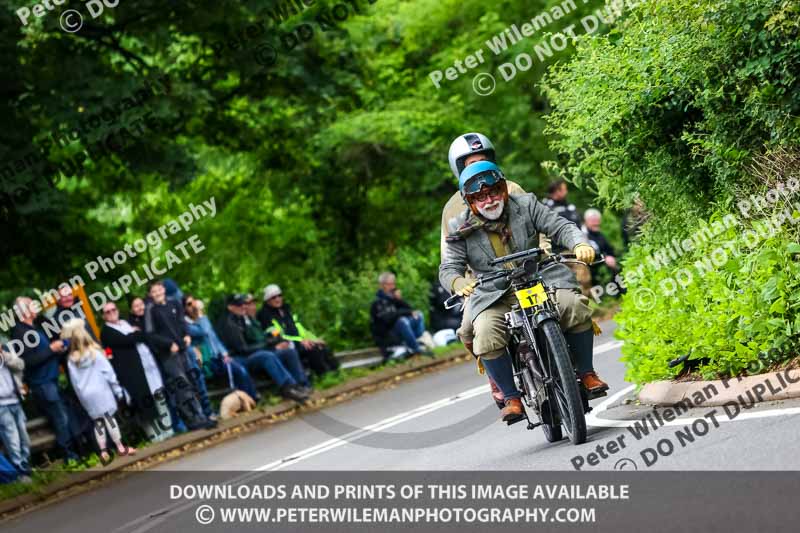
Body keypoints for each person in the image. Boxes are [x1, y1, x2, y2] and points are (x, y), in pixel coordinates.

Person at [440, 141, 609, 423]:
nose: (489, 200)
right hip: (494, 291)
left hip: (538, 275)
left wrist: (579, 244)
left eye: (494, 192)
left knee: (574, 305)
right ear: (469, 201)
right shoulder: (458, 225)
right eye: (480, 197)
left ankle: (587, 373)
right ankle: (511, 397)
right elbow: (448, 266)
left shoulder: (526, 203)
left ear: (503, 189)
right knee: (484, 332)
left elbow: (562, 227)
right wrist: (458, 283)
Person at [11, 296, 79, 462]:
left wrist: (58, 348)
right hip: (42, 384)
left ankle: (74, 454)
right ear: (24, 311)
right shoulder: (19, 333)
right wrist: (51, 348)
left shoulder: (33, 327)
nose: (36, 306)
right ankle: (69, 457)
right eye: (32, 304)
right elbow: (27, 362)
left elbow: (44, 354)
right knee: (60, 419)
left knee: (64, 417)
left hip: (51, 380)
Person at [61, 319, 136, 463]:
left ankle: (103, 451)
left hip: (87, 395)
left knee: (98, 422)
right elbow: (108, 373)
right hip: (101, 391)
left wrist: (83, 398)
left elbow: (75, 383)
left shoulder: (71, 360)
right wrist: (117, 389)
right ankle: (120, 447)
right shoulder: (95, 353)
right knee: (109, 419)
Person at [144, 281, 215, 431]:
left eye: (159, 290)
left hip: (183, 350)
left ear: (163, 289)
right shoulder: (150, 310)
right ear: (150, 294)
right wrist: (168, 344)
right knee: (182, 385)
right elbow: (150, 335)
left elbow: (182, 322)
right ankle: (193, 419)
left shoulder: (174, 303)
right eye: (154, 291)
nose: (157, 293)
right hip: (168, 355)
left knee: (192, 381)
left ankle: (200, 415)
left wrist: (187, 335)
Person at [100, 302, 174, 442]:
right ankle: (155, 437)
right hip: (129, 374)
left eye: (113, 309)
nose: (111, 313)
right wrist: (137, 333)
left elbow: (139, 337)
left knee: (157, 398)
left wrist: (137, 334)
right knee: (142, 406)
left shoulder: (124, 323)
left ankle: (168, 431)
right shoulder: (106, 332)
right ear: (104, 316)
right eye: (107, 312)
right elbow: (129, 340)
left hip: (145, 369)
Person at [216, 294, 310, 403]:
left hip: (254, 352)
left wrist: (275, 342)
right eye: (239, 304)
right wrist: (271, 346)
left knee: (289, 352)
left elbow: (260, 338)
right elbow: (243, 349)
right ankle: (288, 388)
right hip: (242, 359)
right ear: (230, 307)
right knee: (266, 356)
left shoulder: (242, 318)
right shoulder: (229, 324)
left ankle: (302, 385)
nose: (243, 307)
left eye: (244, 304)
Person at [184, 295, 260, 403]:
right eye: (189, 304)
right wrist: (200, 314)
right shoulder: (187, 324)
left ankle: (251, 398)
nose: (193, 306)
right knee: (239, 370)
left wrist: (224, 353)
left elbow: (214, 338)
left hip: (218, 357)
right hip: (206, 362)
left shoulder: (202, 319)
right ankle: (251, 398)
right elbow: (203, 331)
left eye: (194, 302)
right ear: (184, 309)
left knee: (240, 368)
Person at [257, 285, 340, 376]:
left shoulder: (286, 309)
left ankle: (337, 373)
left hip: (299, 341)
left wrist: (313, 339)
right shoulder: (264, 316)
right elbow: (277, 336)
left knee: (321, 345)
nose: (278, 299)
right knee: (312, 349)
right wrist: (300, 341)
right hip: (286, 344)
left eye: (279, 295)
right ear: (267, 300)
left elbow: (300, 328)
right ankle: (324, 376)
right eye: (273, 297)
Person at [370, 273, 434, 359]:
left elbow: (409, 309)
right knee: (402, 320)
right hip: (387, 334)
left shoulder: (392, 298)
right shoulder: (378, 302)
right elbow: (388, 319)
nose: (393, 287)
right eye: (391, 284)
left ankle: (417, 340)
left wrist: (399, 300)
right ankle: (416, 348)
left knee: (418, 314)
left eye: (394, 283)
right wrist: (404, 313)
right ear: (383, 285)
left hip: (398, 330)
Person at [0, 344, 32, 482]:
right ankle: (19, 470)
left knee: (24, 436)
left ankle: (25, 464)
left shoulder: (6, 349)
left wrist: (5, 356)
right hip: (1, 405)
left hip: (16, 399)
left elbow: (20, 365)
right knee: (12, 438)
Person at [582, 208, 620, 285]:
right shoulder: (583, 235)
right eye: (593, 221)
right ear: (586, 221)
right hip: (590, 266)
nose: (596, 223)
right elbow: (589, 254)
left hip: (602, 263)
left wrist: (610, 257)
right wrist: (605, 258)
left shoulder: (599, 234)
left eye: (597, 220)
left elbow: (609, 249)